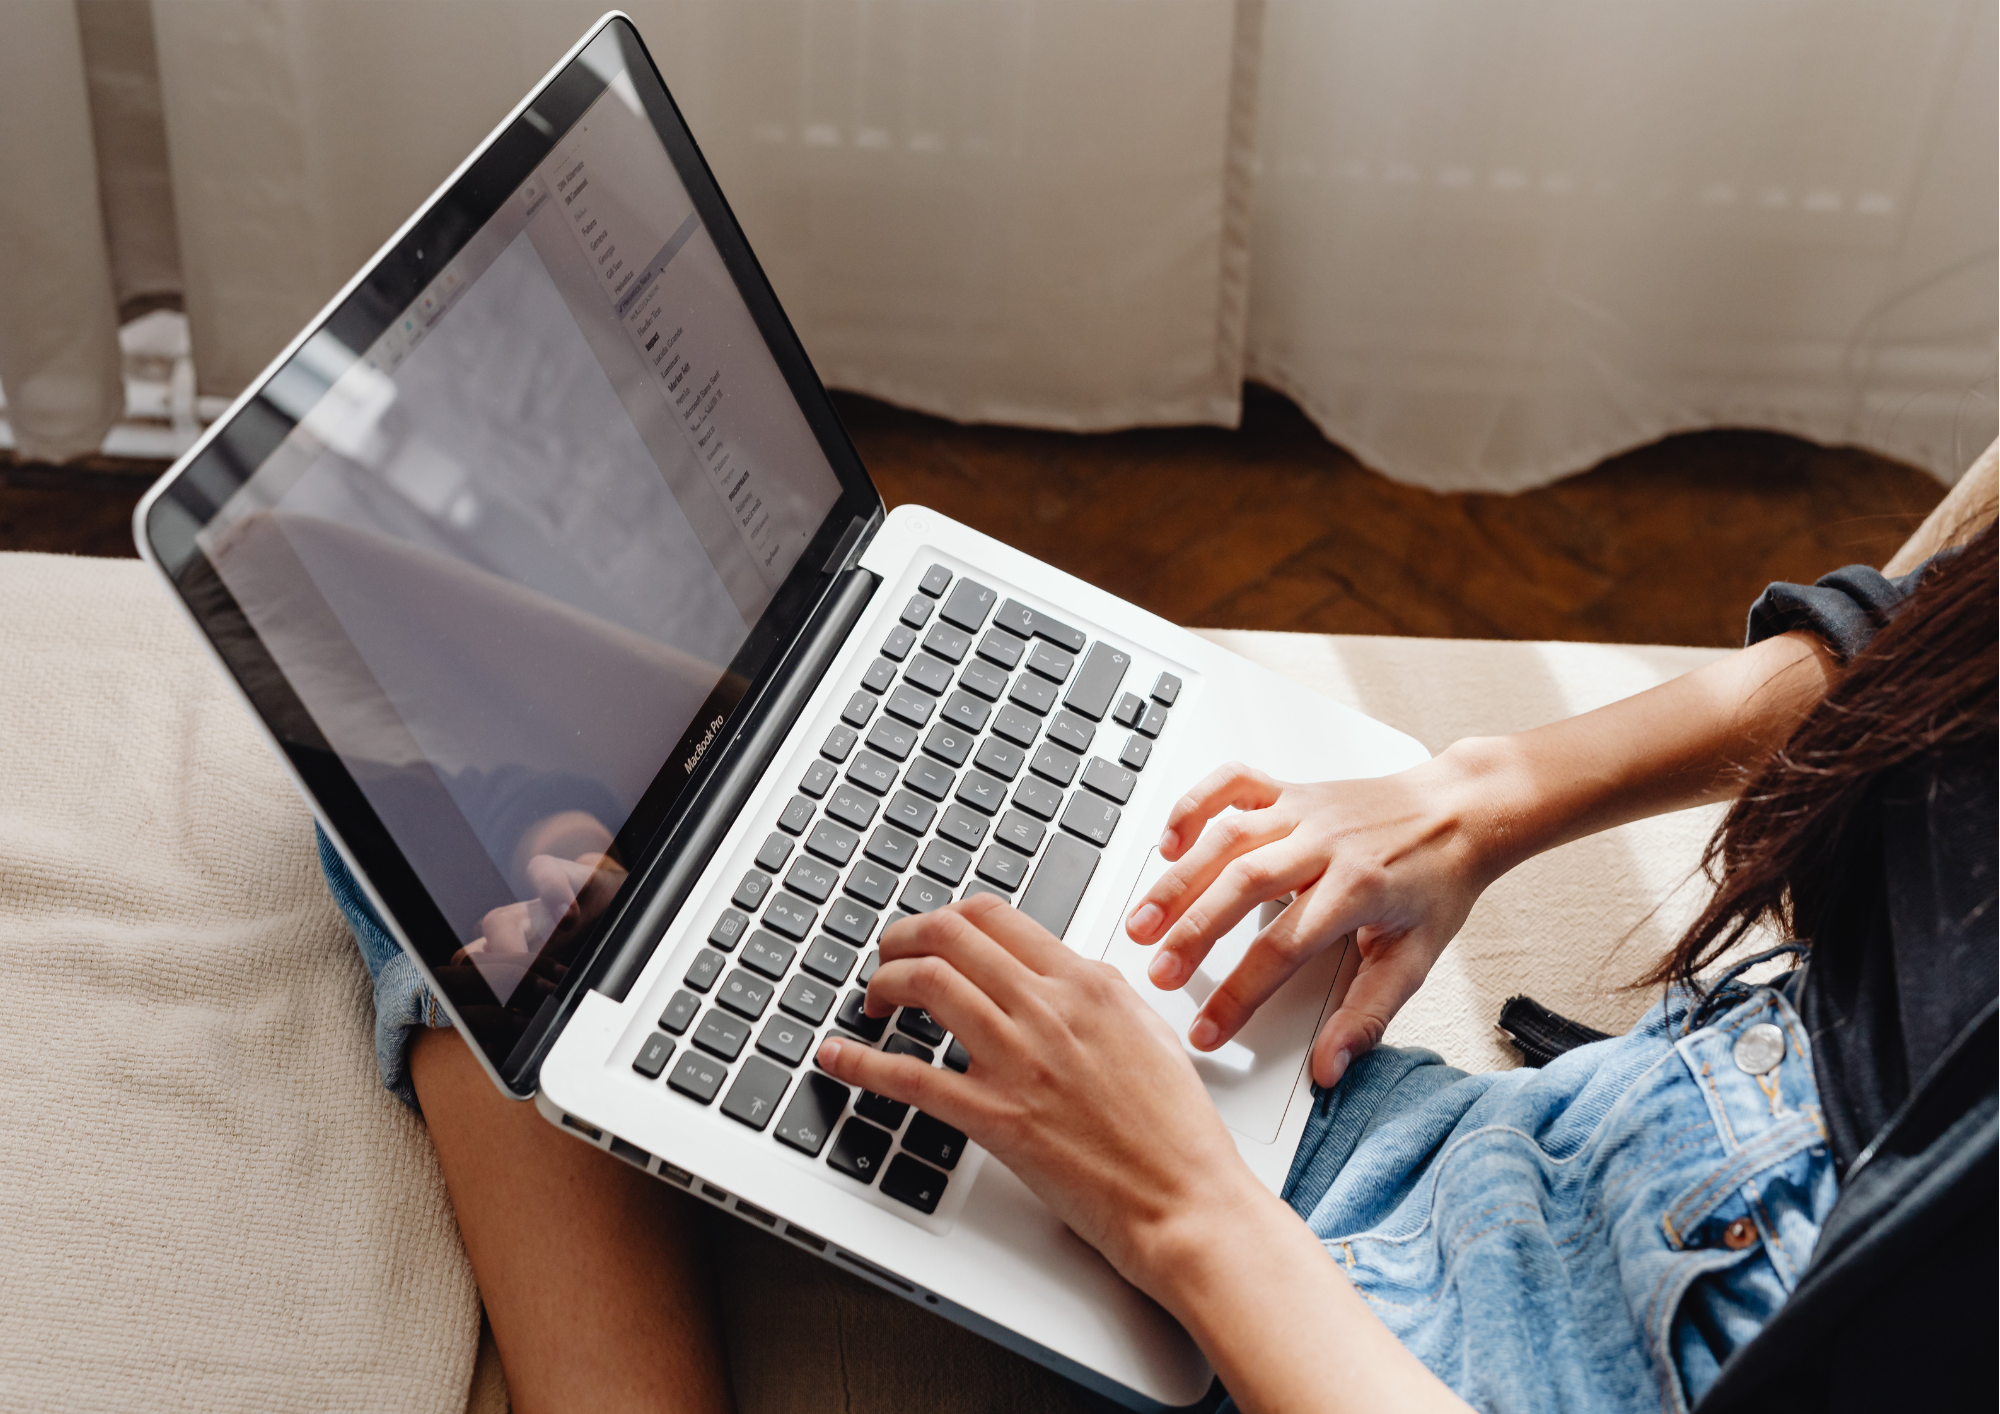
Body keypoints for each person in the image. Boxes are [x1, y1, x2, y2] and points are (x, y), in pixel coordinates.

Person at [328, 462, 1995, 1413]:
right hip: (1558, 1152)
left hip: (1434, 1361)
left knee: (458, 832)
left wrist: (1180, 1206)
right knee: (451, 725)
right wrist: (1488, 794)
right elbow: (1940, 642)